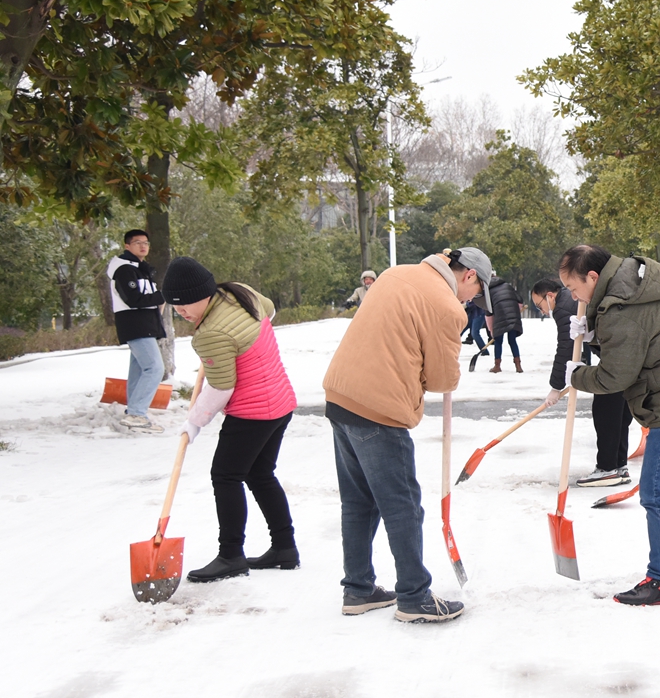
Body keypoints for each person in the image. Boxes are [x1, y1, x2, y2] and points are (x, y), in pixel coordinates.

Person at [322, 246, 493, 623]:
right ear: (469, 276)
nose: (474, 300)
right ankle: (414, 596)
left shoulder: (395, 273)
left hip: (340, 396)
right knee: (403, 505)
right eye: (477, 292)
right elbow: (442, 380)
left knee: (358, 502)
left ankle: (358, 589)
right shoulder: (448, 308)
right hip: (378, 409)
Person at [559, 244, 660, 606]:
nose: (574, 297)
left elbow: (616, 376)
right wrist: (593, 333)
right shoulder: (642, 279)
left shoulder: (620, 308)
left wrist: (579, 375)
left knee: (657, 494)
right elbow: (637, 342)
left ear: (592, 277)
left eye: (574, 289)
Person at [160, 257, 299, 583]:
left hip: (253, 413)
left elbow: (222, 387)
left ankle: (231, 555)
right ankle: (284, 547)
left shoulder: (210, 334)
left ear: (204, 293)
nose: (181, 312)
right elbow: (271, 311)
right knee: (260, 474)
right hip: (280, 402)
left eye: (185, 305)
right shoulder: (241, 293)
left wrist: (194, 422)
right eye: (174, 307)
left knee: (225, 476)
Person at [532, 278, 631, 487]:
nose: (541, 311)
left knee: (605, 412)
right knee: (619, 413)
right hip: (625, 357)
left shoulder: (563, 306)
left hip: (615, 360)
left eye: (539, 305)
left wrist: (556, 386)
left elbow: (566, 346)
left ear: (549, 296)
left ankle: (607, 468)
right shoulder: (574, 301)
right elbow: (579, 342)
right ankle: (618, 465)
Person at [106, 229, 166, 433]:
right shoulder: (124, 270)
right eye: (138, 242)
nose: (143, 246)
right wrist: (161, 296)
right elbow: (132, 299)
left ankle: (133, 414)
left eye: (146, 243)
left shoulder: (140, 269)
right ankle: (137, 413)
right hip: (136, 324)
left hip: (145, 324)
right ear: (127, 246)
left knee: (140, 370)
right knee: (155, 368)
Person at [486, 277, 525, 373]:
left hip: (500, 317)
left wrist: (492, 331)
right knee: (512, 340)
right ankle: (518, 365)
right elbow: (520, 300)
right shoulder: (508, 286)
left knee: (498, 341)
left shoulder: (489, 292)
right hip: (513, 315)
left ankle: (497, 366)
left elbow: (489, 313)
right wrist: (516, 311)